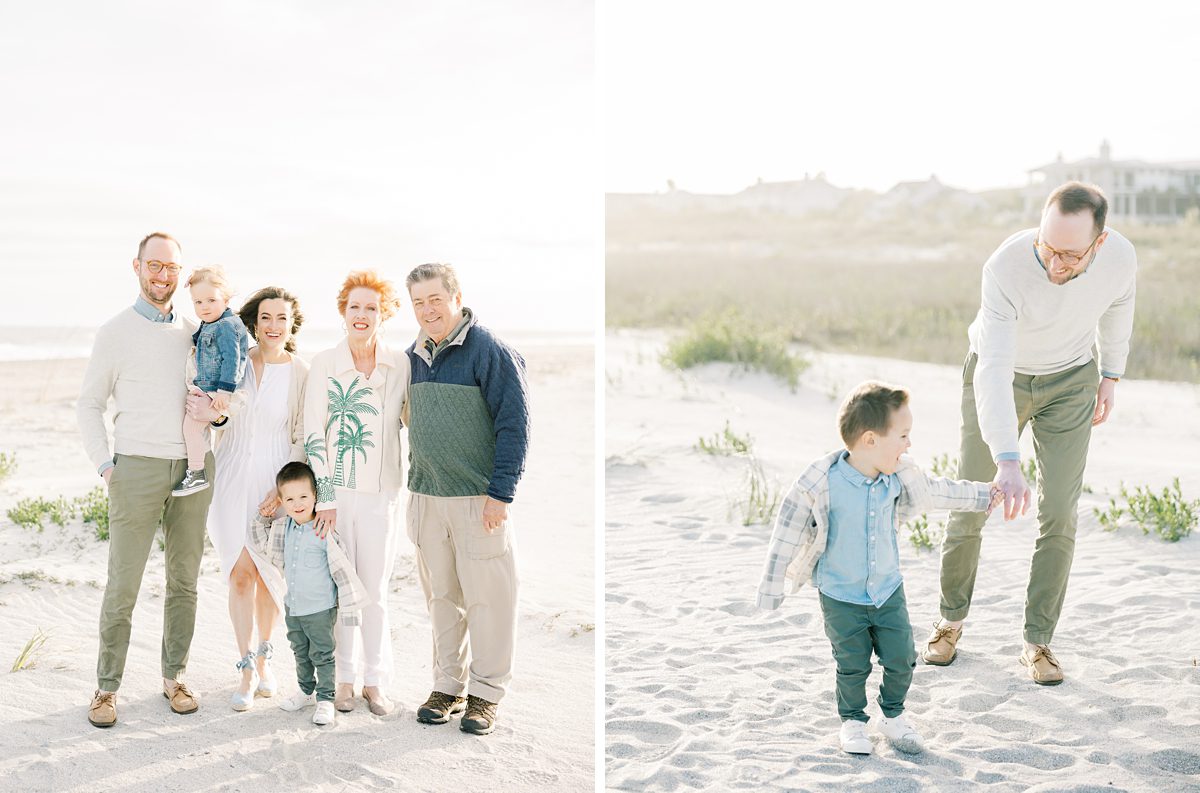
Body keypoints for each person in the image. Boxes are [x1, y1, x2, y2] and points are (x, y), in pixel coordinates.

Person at [923, 182, 1137, 686]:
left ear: (1099, 244)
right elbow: (993, 368)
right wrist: (1007, 461)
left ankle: (1037, 642)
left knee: (1060, 511)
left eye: (1069, 253)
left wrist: (1111, 375)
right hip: (1002, 376)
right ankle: (949, 621)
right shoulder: (1005, 267)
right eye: (1046, 246)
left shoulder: (1120, 258)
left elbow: (1120, 306)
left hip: (1072, 379)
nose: (1053, 263)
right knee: (973, 499)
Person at [756, 382, 1002, 755]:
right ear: (870, 440)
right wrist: (771, 586)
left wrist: (987, 494)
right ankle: (854, 722)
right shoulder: (822, 483)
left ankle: (892, 716)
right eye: (903, 435)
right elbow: (786, 530)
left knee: (902, 657)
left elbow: (939, 491)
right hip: (840, 595)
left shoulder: (898, 477)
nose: (908, 444)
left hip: (887, 590)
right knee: (852, 665)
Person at [77, 232, 216, 727]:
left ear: (181, 272)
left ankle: (174, 677)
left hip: (194, 467)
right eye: (154, 266)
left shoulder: (199, 329)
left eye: (172, 268)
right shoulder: (114, 332)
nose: (162, 275)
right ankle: (106, 688)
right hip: (135, 467)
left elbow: (219, 394)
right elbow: (89, 405)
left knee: (185, 581)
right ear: (136, 267)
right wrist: (106, 465)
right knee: (124, 584)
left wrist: (218, 418)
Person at [404, 262, 530, 736]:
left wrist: (501, 493)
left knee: (489, 601)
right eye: (418, 302)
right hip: (426, 498)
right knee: (442, 599)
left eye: (435, 299)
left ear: (456, 297)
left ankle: (486, 695)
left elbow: (514, 425)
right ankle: (447, 686)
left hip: (479, 500)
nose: (427, 310)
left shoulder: (489, 350)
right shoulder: (412, 355)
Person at [193, 286, 310, 710]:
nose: (273, 326)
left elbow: (301, 436)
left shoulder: (301, 372)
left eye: (282, 318)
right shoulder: (236, 363)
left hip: (274, 483)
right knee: (239, 574)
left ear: (292, 324)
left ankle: (264, 659)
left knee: (268, 579)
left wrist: (283, 491)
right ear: (253, 323)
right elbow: (215, 411)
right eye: (265, 318)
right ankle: (244, 668)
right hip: (229, 476)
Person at [304, 270, 410, 715]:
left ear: (383, 313)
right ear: (343, 313)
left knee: (375, 589)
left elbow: (409, 418)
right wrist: (324, 498)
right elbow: (313, 432)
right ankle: (343, 678)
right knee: (340, 592)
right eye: (354, 308)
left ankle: (376, 682)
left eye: (371, 307)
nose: (362, 315)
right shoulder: (325, 363)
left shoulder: (399, 364)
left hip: (382, 494)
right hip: (336, 497)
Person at [250, 462, 368, 727]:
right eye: (289, 499)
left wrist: (346, 604)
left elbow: (342, 568)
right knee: (300, 652)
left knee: (322, 654)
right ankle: (305, 691)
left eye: (303, 496)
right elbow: (260, 541)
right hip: (293, 607)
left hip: (320, 609)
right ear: (281, 501)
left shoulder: (323, 531)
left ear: (315, 497)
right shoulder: (283, 529)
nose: (297, 503)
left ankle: (326, 699)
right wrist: (264, 516)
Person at [173, 266, 249, 497]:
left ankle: (196, 473)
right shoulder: (212, 322)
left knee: (191, 428)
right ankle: (197, 470)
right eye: (197, 302)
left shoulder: (226, 326)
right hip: (208, 388)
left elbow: (232, 359)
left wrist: (224, 391)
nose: (204, 307)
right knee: (194, 429)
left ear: (225, 298)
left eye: (210, 300)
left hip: (215, 391)